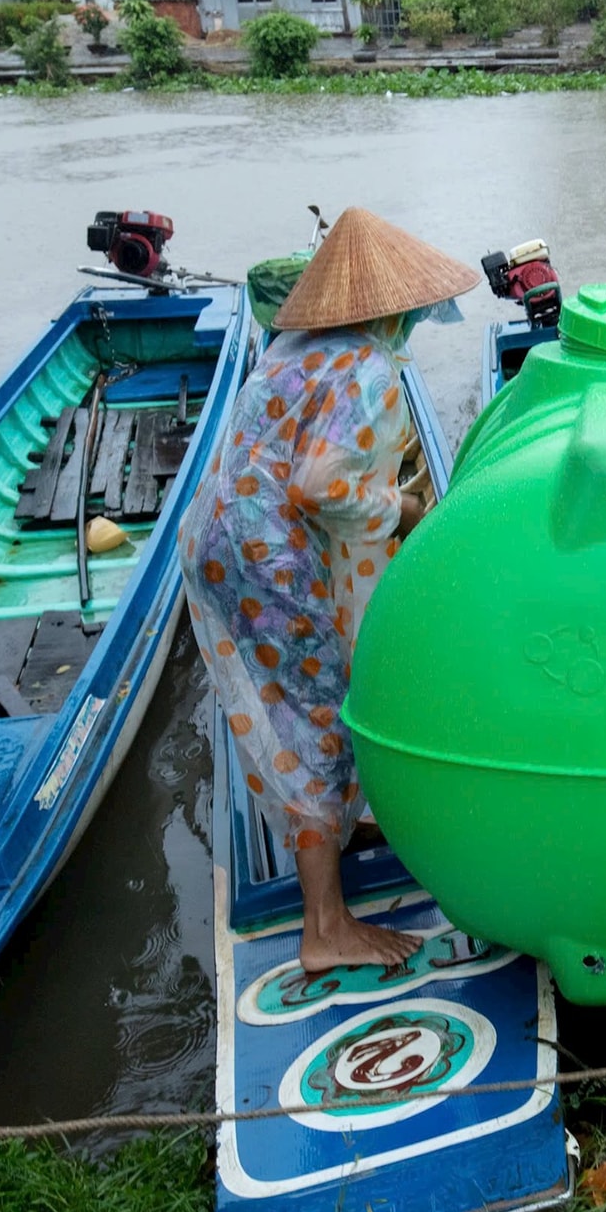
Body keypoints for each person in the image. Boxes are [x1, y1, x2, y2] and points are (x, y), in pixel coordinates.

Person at [180, 207, 477, 973]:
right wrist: (407, 508)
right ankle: (326, 928)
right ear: (395, 306)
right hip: (268, 552)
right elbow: (321, 484)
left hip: (217, 530)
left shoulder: (293, 345)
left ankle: (349, 826)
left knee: (303, 689)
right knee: (314, 706)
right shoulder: (370, 370)